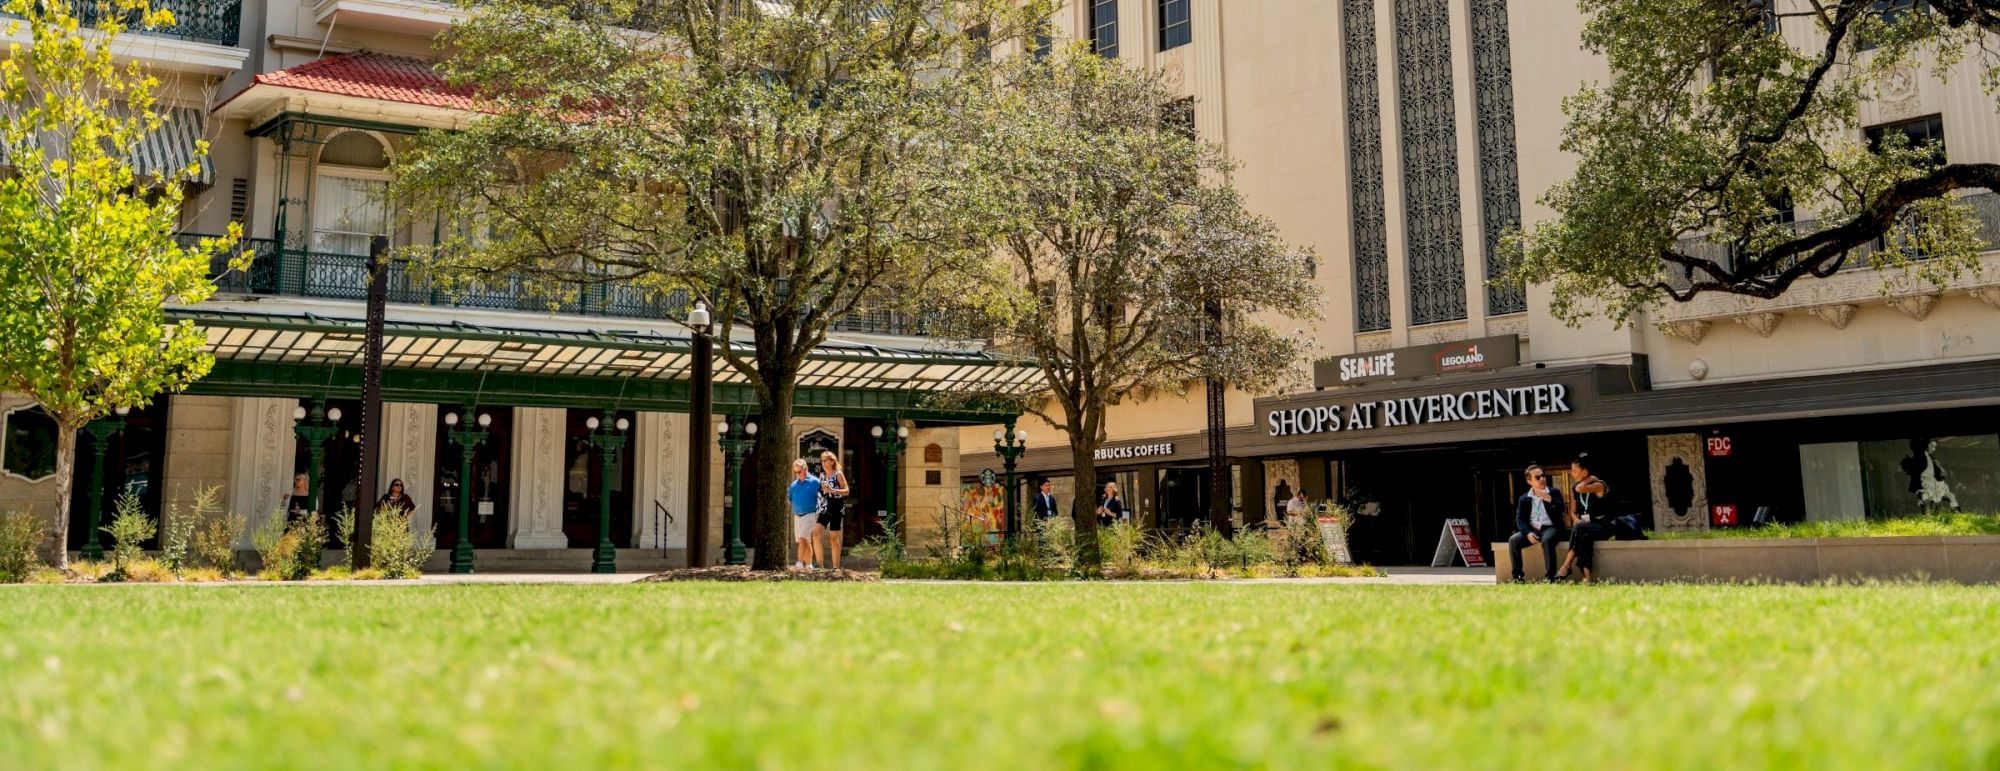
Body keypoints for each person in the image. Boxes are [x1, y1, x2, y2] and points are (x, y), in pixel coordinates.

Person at [1556, 453, 1613, 583]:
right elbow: (1572, 512)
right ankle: (1587, 577)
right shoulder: (1574, 488)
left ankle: (1567, 564)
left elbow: (1581, 489)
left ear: (1585, 472)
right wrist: (1576, 519)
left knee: (1581, 528)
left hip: (1602, 526)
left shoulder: (1599, 485)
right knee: (1584, 534)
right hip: (1584, 527)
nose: (1572, 474)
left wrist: (1590, 478)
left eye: (1575, 471)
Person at [1508, 464, 1568, 583]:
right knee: (1513, 540)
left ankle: (1550, 578)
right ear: (1530, 481)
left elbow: (1563, 509)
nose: (1542, 479)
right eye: (1538, 477)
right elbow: (1520, 519)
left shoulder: (1554, 492)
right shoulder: (1524, 498)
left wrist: (1550, 499)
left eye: (1543, 476)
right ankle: (1518, 577)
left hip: (1551, 527)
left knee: (1547, 539)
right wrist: (1528, 533)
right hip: (1533, 529)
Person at [813, 451, 850, 571]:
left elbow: (846, 491)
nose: (823, 463)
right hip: (824, 507)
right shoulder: (822, 475)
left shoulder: (838, 474)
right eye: (822, 460)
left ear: (832, 461)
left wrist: (833, 490)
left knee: (833, 538)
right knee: (816, 533)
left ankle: (835, 567)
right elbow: (821, 492)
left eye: (825, 460)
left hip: (836, 506)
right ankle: (820, 565)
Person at [787, 459, 822, 571]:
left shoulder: (816, 482)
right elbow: (790, 499)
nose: (797, 474)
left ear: (805, 469)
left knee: (802, 539)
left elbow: (823, 498)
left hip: (810, 514)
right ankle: (809, 565)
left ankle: (799, 563)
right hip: (797, 516)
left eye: (799, 471)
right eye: (796, 472)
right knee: (805, 541)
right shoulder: (793, 484)